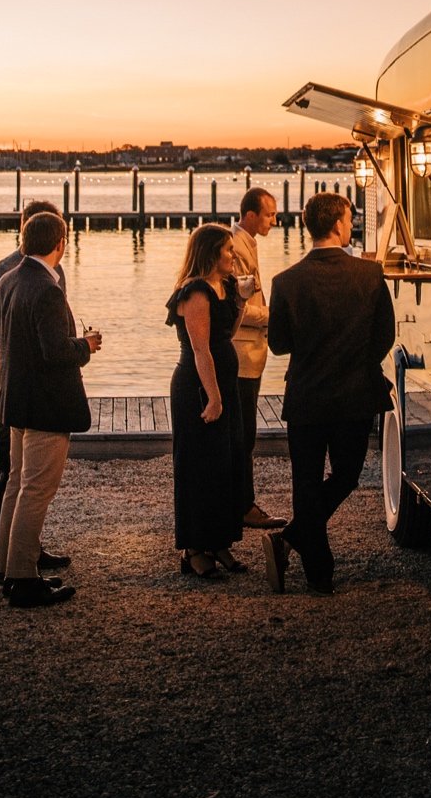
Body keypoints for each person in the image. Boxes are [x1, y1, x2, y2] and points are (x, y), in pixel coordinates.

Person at [262, 192, 395, 595]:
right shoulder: (370, 276)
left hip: (306, 396)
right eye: (350, 218)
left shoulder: (285, 281)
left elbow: (279, 345)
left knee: (305, 481)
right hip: (354, 395)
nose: (352, 223)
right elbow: (385, 337)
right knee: (347, 475)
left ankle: (313, 565)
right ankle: (301, 550)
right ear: (338, 225)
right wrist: (357, 362)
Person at [0, 212, 100, 608]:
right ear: (61, 242)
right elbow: (55, 352)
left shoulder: (8, 280)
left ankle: (8, 566)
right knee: (36, 489)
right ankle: (22, 578)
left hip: (15, 400)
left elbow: (7, 340)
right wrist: (86, 345)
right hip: (44, 404)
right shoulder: (48, 289)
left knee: (16, 485)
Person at [0, 199, 71, 585]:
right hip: (13, 381)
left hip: (32, 378)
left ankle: (21, 551)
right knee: (12, 472)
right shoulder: (3, 271)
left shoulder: (54, 271)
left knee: (24, 475)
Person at [167, 222, 249, 578]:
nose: (234, 255)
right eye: (229, 249)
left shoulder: (224, 285)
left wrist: (242, 299)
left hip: (223, 381)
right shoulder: (195, 291)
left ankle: (220, 541)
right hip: (198, 386)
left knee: (226, 463)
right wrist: (214, 398)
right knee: (200, 465)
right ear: (211, 252)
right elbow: (201, 349)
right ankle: (194, 548)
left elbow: (228, 332)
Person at [229, 187, 281, 529]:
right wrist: (272, 315)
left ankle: (239, 503)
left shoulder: (248, 243)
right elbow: (235, 308)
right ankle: (242, 506)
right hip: (241, 354)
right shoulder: (234, 247)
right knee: (242, 434)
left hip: (252, 354)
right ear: (251, 215)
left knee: (244, 432)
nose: (275, 222)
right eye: (270, 215)